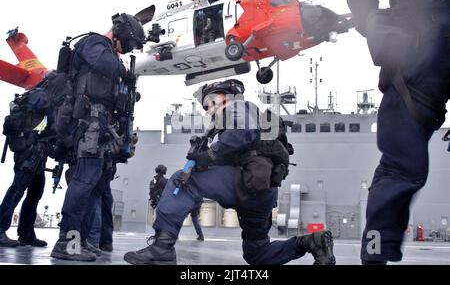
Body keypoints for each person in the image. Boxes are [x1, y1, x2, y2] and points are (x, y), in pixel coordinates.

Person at [123, 79, 335, 265]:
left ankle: (162, 249)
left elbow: (241, 134)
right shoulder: (247, 113)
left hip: (244, 180)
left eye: (210, 102)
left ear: (225, 96)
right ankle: (313, 242)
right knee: (257, 253)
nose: (208, 108)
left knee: (182, 180)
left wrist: (210, 155)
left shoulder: (236, 107)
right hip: (262, 191)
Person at [344, 0, 450, 264]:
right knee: (403, 166)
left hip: (418, 61)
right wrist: (374, 22)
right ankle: (378, 253)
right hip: (418, 60)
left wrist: (373, 21)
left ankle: (376, 255)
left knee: (399, 168)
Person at [50, 13, 145, 262]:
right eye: (130, 43)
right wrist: (125, 73)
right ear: (119, 34)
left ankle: (78, 241)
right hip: (89, 122)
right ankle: (66, 244)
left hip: (100, 124)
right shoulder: (95, 43)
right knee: (83, 182)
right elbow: (106, 65)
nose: (128, 50)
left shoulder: (108, 53)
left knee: (90, 184)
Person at [0, 83, 52, 247]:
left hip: (36, 151)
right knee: (17, 189)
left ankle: (26, 233)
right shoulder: (40, 96)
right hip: (28, 151)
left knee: (36, 192)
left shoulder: (39, 95)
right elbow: (44, 117)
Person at [150, 164, 204, 241]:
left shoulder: (154, 180)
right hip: (194, 202)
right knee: (192, 219)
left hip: (160, 201)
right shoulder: (164, 180)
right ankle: (200, 235)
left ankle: (164, 234)